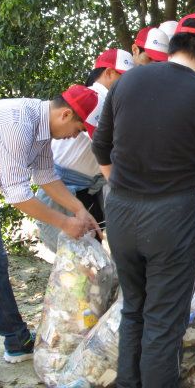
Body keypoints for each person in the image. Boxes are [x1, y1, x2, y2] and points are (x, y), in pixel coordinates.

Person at [92, 13, 195, 387]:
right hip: (171, 218)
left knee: (134, 309)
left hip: (120, 212)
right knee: (164, 321)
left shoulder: (128, 82)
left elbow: (101, 148)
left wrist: (124, 192)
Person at [0, 85, 103, 387]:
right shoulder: (17, 124)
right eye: (78, 129)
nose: (76, 136)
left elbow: (47, 177)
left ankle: (15, 340)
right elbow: (18, 196)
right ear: (65, 114)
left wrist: (80, 210)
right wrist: (66, 223)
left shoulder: (42, 131)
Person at [36, 49, 134, 252]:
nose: (129, 85)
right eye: (124, 78)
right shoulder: (97, 100)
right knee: (77, 257)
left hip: (84, 187)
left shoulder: (97, 98)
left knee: (83, 254)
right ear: (108, 73)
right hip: (65, 186)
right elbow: (107, 148)